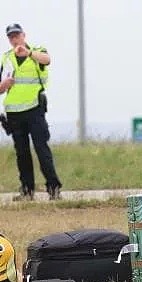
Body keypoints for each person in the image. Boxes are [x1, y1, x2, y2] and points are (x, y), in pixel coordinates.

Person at [0, 23, 62, 201]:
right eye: (11, 37)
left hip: (34, 109)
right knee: (22, 153)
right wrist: (3, 86)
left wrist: (28, 53)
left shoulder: (36, 51)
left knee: (42, 149)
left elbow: (47, 60)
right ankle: (27, 190)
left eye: (17, 35)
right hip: (14, 112)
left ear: (23, 35)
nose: (14, 39)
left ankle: (53, 187)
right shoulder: (6, 58)